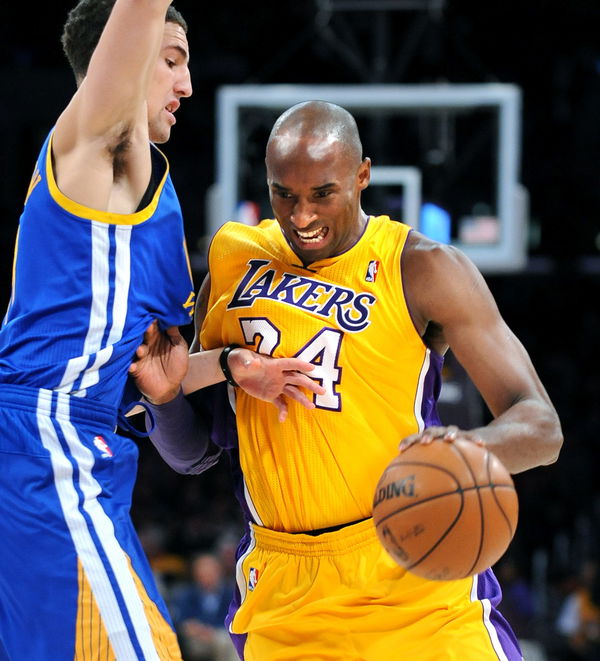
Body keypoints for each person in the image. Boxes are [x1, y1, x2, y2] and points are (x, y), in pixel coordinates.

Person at [139, 100, 563, 660]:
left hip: (413, 567)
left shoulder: (424, 267)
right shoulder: (232, 257)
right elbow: (194, 452)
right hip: (284, 589)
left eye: (322, 194)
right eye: (283, 193)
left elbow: (541, 426)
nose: (302, 216)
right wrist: (167, 400)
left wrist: (465, 449)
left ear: (363, 176)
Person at [0, 2, 320, 658]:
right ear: (121, 62)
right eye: (171, 61)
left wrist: (229, 364)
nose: (187, 85)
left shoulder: (139, 189)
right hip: (45, 447)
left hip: (69, 446)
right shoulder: (97, 145)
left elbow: (149, 369)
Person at [170, 552, 238, 661]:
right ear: (195, 574)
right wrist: (198, 629)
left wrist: (212, 631)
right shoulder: (186, 593)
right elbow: (180, 619)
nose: (206, 575)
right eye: (202, 571)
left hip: (222, 634)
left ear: (219, 571)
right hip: (196, 638)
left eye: (210, 571)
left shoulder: (231, 593)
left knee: (226, 642)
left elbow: (235, 618)